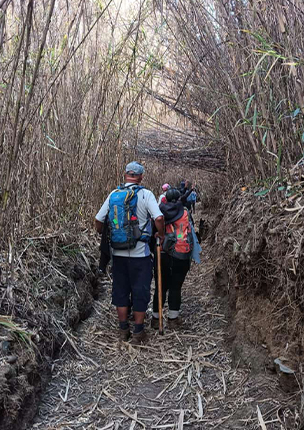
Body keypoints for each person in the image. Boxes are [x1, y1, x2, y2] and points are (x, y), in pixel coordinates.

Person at [95, 161, 164, 344]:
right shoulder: (145, 194)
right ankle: (138, 332)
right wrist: (161, 234)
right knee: (140, 290)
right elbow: (158, 217)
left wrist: (107, 234)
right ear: (141, 177)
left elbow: (98, 220)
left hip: (118, 254)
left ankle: (123, 329)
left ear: (125, 174)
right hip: (140, 255)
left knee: (121, 290)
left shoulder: (114, 194)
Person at [151, 188, 194, 330]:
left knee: (160, 286)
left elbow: (153, 232)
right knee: (176, 287)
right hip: (181, 254)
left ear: (166, 198)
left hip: (161, 253)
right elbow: (191, 233)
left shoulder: (158, 212)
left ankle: (156, 319)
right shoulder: (186, 212)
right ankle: (173, 319)